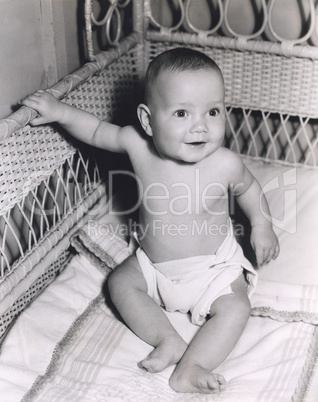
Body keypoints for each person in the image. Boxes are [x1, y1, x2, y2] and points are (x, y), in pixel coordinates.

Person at [21, 47, 279, 394]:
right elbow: (97, 130)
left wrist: (262, 225)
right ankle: (167, 339)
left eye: (213, 111)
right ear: (147, 121)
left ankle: (192, 366)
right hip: (153, 265)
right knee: (120, 283)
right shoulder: (136, 145)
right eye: (182, 113)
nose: (200, 126)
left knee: (237, 306)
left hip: (212, 269)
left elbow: (249, 188)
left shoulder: (225, 163)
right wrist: (58, 111)